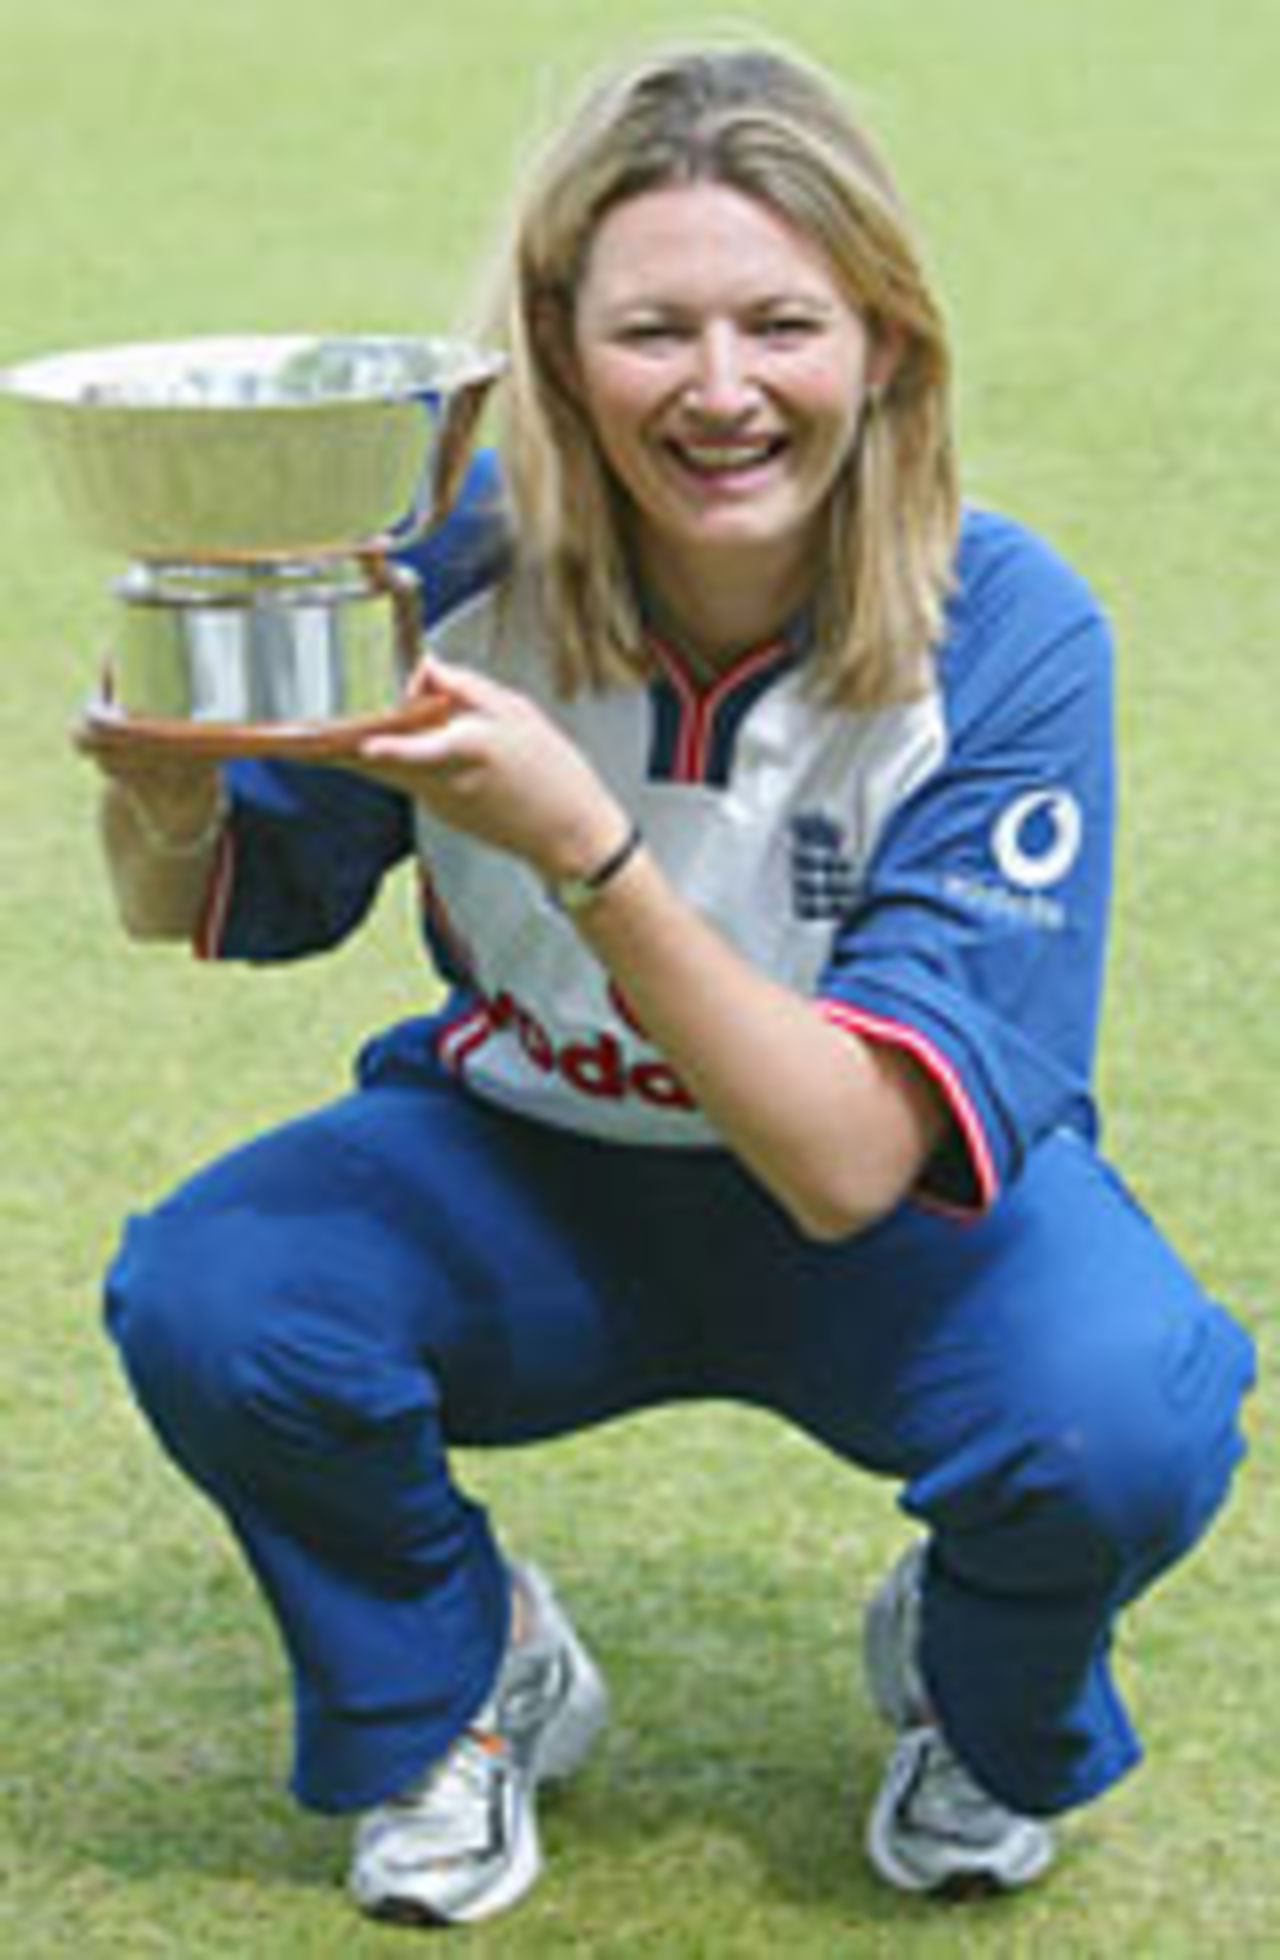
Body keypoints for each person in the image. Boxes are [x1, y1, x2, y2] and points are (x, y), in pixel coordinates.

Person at [83, 42, 1256, 1930]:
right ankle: (467, 1679)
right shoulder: (438, 567)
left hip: (870, 1217)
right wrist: (152, 799)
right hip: (527, 1169)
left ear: (885, 344)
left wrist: (588, 850)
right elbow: (219, 900)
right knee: (220, 1296)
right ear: (554, 349)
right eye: (655, 331)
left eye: (782, 323)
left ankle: (972, 1681)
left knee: (1122, 1413)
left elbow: (851, 1169)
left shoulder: (1008, 628)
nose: (722, 391)